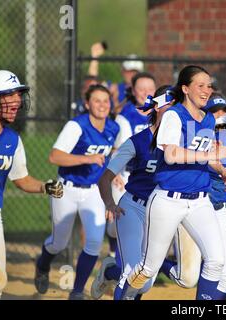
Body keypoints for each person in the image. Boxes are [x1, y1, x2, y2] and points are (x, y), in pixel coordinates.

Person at [118, 65, 226, 300]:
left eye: (208, 85)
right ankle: (124, 294)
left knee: (216, 261)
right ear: (185, 88)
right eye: (200, 85)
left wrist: (221, 170)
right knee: (147, 268)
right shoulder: (173, 115)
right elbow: (171, 155)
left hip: (200, 201)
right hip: (168, 200)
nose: (206, 90)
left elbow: (204, 153)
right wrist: (208, 156)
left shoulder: (208, 118)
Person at [161, 96, 226, 299]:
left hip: (218, 210)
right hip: (194, 206)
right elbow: (192, 159)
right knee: (188, 277)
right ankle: (150, 263)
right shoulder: (216, 141)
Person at [33, 84, 119, 300]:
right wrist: (86, 158)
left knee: (94, 243)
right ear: (87, 104)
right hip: (67, 189)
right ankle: (42, 264)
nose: (102, 105)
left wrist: (113, 172)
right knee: (58, 243)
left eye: (106, 100)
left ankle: (77, 290)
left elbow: (110, 154)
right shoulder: (76, 126)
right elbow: (55, 157)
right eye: (96, 100)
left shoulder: (113, 128)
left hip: (93, 192)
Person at [91, 85, 175, 300]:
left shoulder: (184, 143)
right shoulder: (138, 141)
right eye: (170, 106)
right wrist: (110, 203)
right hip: (134, 207)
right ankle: (116, 275)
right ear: (156, 108)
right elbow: (105, 178)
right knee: (132, 273)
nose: (176, 111)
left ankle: (109, 271)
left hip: (162, 212)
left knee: (144, 284)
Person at [0, 70, 63, 300]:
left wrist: (45, 186)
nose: (16, 101)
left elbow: (21, 179)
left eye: (18, 95)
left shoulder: (12, 140)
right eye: (8, 95)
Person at [105, 71, 157, 261]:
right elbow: (118, 150)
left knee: (145, 228)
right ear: (133, 91)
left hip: (152, 178)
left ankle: (137, 267)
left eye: (150, 89)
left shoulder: (162, 115)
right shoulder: (125, 117)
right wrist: (116, 173)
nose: (146, 93)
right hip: (126, 176)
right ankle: (120, 268)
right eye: (141, 89)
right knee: (121, 223)